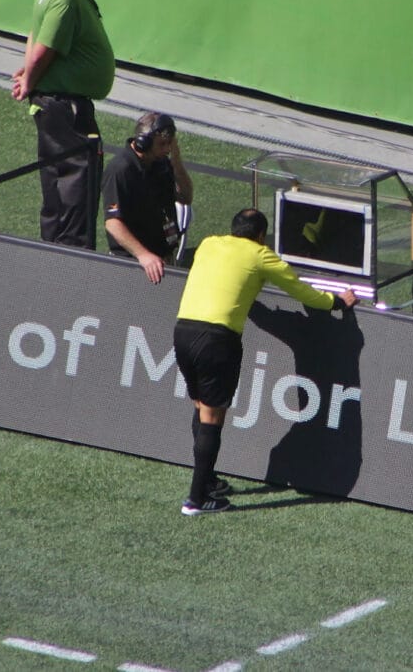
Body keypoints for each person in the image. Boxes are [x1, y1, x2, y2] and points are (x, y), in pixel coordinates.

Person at [173, 208, 359, 515]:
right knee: (213, 416)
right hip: (217, 340)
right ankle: (196, 499)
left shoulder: (208, 243)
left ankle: (208, 481)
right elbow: (301, 290)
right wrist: (337, 301)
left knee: (201, 406)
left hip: (183, 331)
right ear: (261, 236)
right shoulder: (261, 255)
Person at [11, 0, 115, 250]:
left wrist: (29, 79)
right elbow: (44, 48)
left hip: (57, 107)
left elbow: (37, 34)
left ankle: (52, 253)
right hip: (67, 109)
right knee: (76, 191)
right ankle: (70, 262)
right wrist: (30, 81)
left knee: (58, 188)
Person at [101, 112, 194, 283]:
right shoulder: (120, 170)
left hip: (161, 259)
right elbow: (113, 223)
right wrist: (144, 255)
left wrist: (176, 161)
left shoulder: (161, 163)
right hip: (135, 263)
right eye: (162, 144)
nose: (167, 150)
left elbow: (186, 197)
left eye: (169, 144)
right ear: (144, 142)